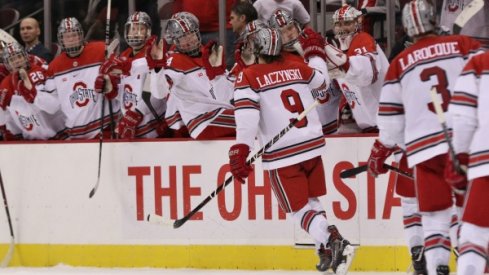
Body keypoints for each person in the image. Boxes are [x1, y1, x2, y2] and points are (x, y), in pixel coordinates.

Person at [366, 0, 483, 274]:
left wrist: (380, 151)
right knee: (471, 215)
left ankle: (438, 266)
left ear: (406, 27)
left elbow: (391, 123)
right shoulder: (464, 45)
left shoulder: (399, 64)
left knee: (432, 218)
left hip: (425, 153)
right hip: (465, 143)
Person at [229, 27, 354, 275]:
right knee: (311, 201)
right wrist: (315, 54)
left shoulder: (249, 76)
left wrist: (240, 151)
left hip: (283, 153)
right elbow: (322, 85)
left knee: (297, 210)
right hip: (312, 146)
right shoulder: (298, 67)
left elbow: (247, 120)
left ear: (258, 50)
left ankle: (333, 240)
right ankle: (324, 247)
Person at [151, 15, 236, 140]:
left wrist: (218, 75)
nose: (189, 39)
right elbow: (159, 93)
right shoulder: (174, 61)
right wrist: (157, 69)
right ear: (175, 41)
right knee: (250, 118)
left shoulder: (209, 54)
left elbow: (225, 97)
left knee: (251, 114)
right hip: (201, 121)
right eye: (182, 37)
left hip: (218, 114)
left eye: (191, 34)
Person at [447, 50, 489, 275]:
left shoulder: (480, 62)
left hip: (486, 161)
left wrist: (460, 158)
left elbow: (462, 118)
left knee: (473, 237)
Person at [268, 9, 342, 136]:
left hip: (339, 128)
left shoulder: (323, 43)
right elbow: (320, 88)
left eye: (290, 28)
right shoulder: (281, 64)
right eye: (282, 32)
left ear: (297, 26)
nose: (289, 34)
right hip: (311, 133)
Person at [45, 17, 120, 140]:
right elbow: (52, 104)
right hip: (73, 135)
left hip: (103, 128)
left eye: (74, 35)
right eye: (66, 36)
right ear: (61, 40)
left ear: (81, 36)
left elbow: (120, 78)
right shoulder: (54, 67)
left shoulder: (101, 50)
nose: (71, 39)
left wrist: (110, 81)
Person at [103, 11, 168, 139]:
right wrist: (111, 88)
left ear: (148, 32)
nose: (136, 32)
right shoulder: (123, 56)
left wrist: (137, 113)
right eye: (132, 29)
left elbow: (157, 94)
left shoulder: (155, 54)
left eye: (141, 29)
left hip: (152, 128)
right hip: (128, 126)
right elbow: (126, 93)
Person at [330, 4, 389, 133]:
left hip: (382, 123)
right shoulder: (341, 50)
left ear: (358, 22)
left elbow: (365, 75)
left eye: (347, 23)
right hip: (368, 123)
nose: (342, 28)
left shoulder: (362, 39)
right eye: (338, 24)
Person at [0, 42, 65, 140]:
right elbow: (5, 121)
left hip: (60, 136)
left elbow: (55, 106)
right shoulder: (5, 85)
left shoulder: (42, 71)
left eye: (19, 57)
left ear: (25, 57)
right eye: (12, 60)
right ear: (7, 64)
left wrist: (33, 93)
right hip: (31, 143)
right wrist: (2, 110)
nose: (17, 61)